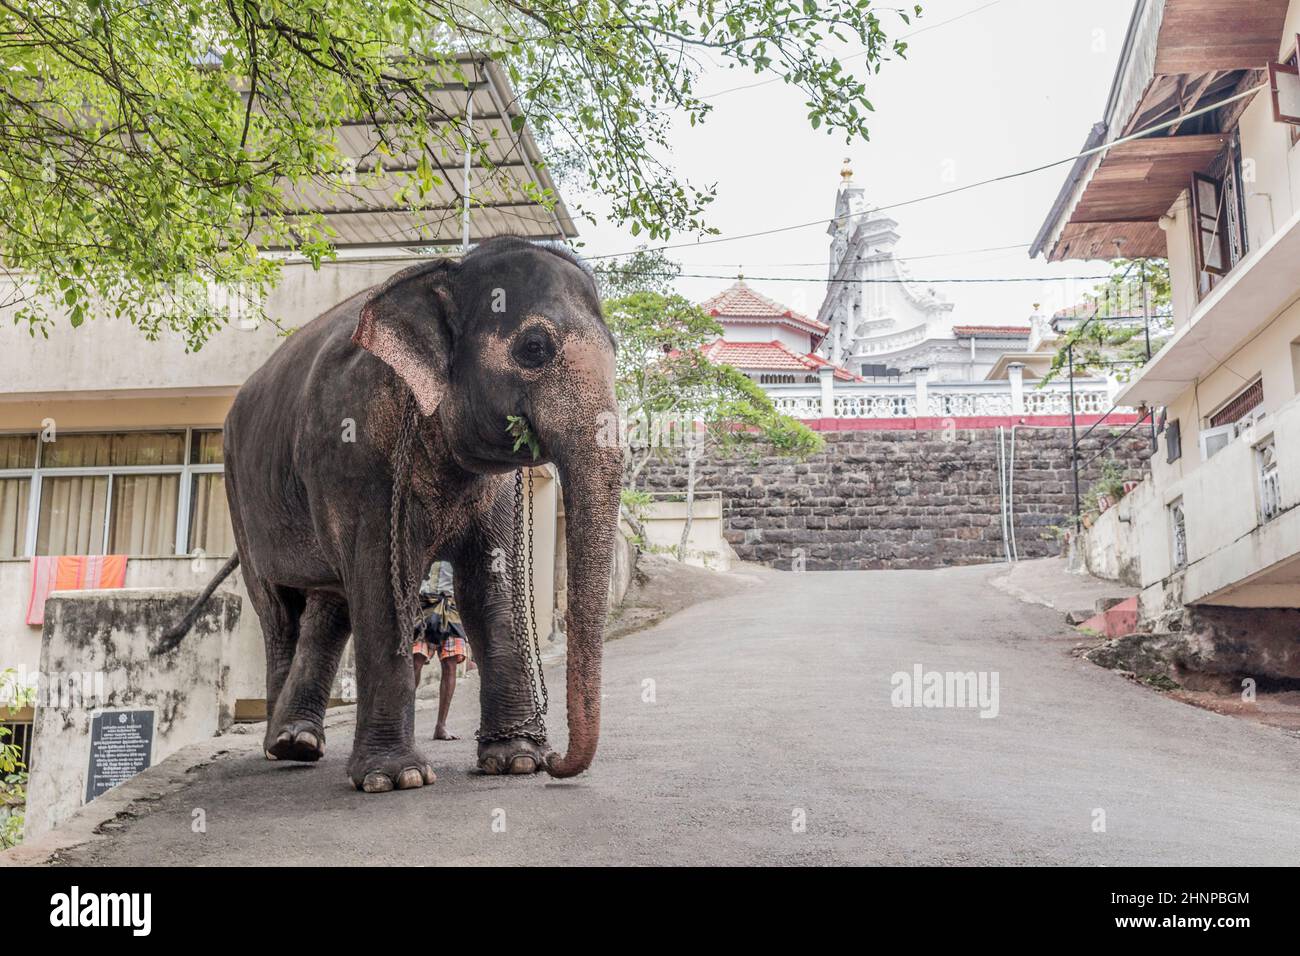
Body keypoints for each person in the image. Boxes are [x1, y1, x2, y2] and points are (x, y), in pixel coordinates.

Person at [412, 561, 469, 741]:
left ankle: (441, 725)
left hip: (451, 606)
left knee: (450, 664)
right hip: (424, 605)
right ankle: (405, 723)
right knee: (415, 660)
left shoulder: (458, 544)